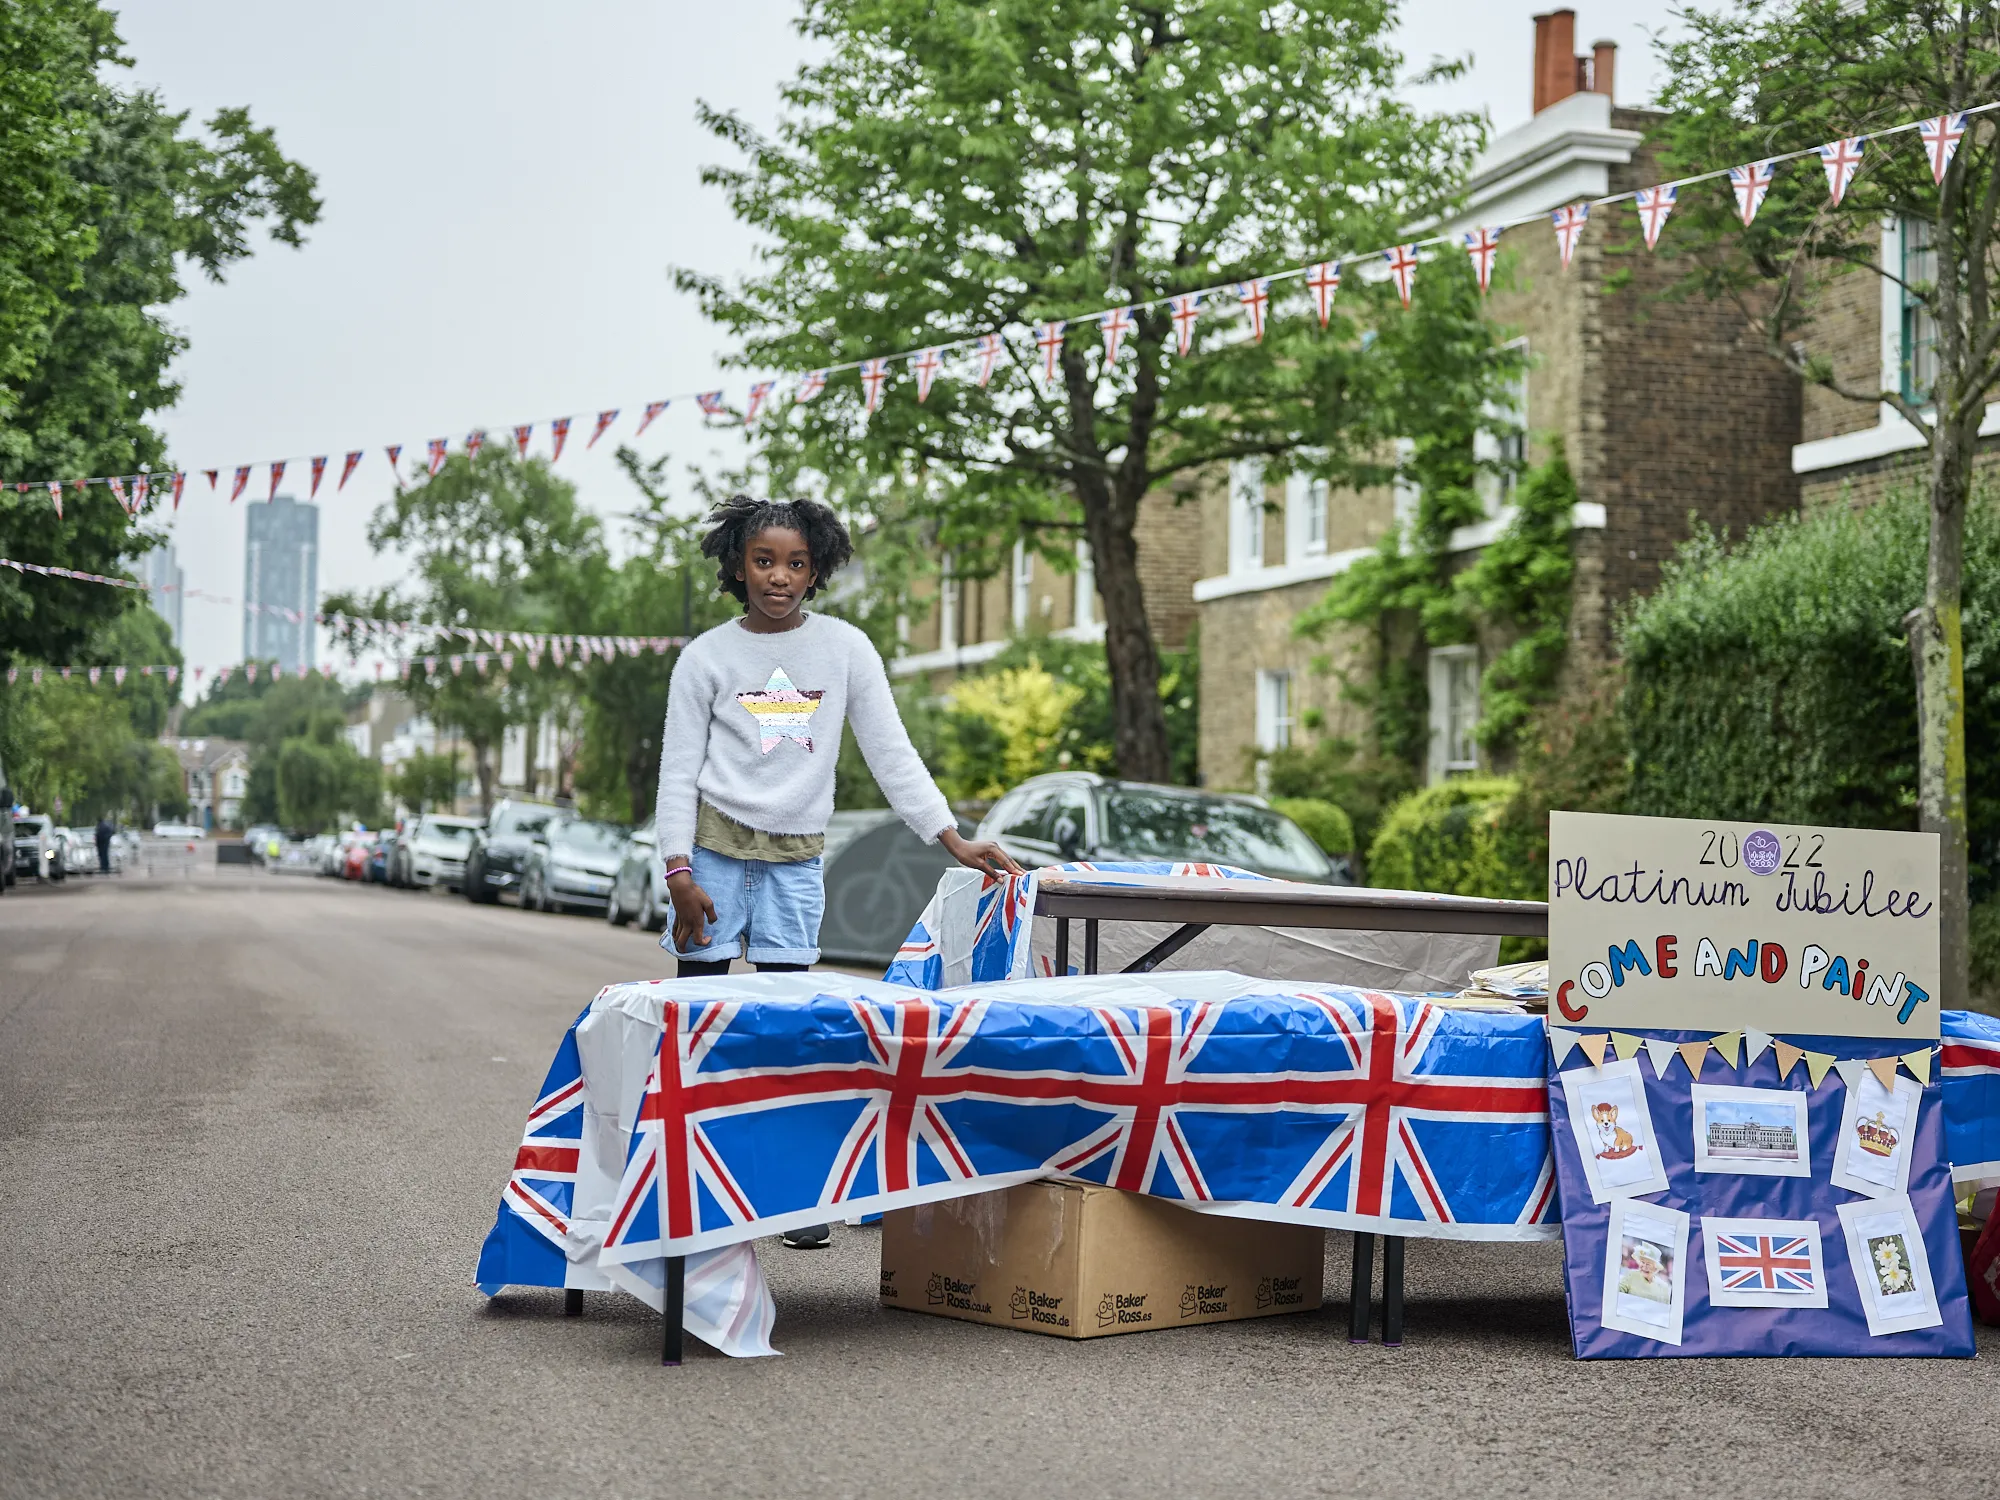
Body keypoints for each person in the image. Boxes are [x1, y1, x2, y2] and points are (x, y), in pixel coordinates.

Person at [655, 494, 1023, 1249]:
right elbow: (676, 771)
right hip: (713, 859)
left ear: (817, 569)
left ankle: (790, 1193)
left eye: (795, 563)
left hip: (797, 861)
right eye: (764, 561)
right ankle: (693, 1177)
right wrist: (677, 870)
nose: (779, 577)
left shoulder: (847, 650)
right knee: (702, 1026)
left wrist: (951, 837)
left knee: (795, 1030)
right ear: (737, 566)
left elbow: (891, 751)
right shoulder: (706, 658)